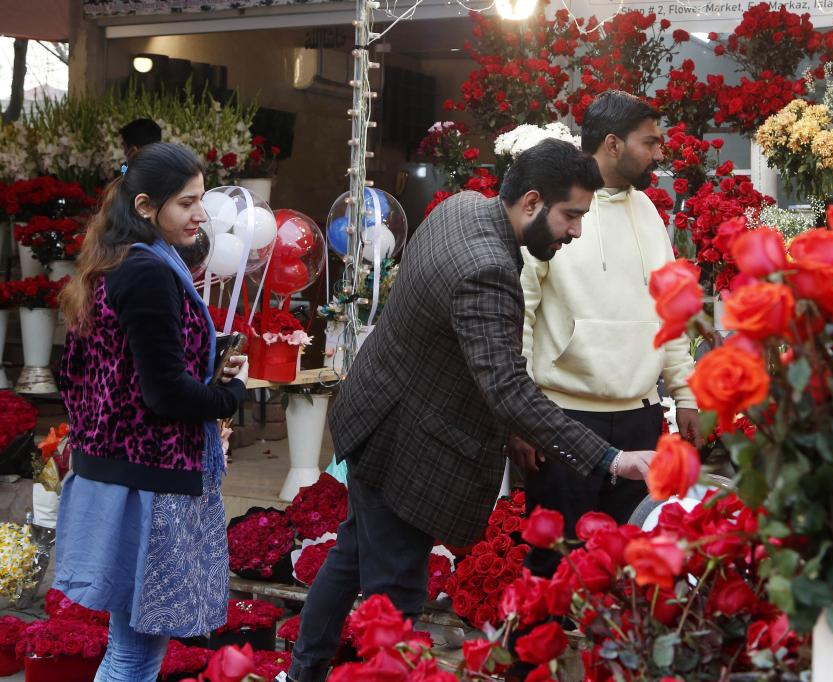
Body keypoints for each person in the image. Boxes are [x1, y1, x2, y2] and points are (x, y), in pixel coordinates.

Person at [288, 139, 655, 682]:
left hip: (375, 411)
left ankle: (303, 672)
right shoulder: (486, 268)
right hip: (404, 447)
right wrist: (611, 459)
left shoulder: (463, 205)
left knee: (348, 560)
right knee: (397, 612)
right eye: (571, 216)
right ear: (531, 202)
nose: (576, 231)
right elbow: (506, 388)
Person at [54, 142, 248, 682]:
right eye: (187, 203)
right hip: (150, 487)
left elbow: (104, 378)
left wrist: (205, 378)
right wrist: (230, 397)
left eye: (201, 200)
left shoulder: (118, 264)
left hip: (123, 477)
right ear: (145, 206)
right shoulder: (148, 273)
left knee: (128, 649)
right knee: (136, 655)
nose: (202, 214)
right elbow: (165, 395)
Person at [513, 90, 699, 578]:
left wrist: (687, 395)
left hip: (640, 419)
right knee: (553, 572)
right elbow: (521, 313)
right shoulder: (559, 204)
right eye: (650, 142)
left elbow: (670, 309)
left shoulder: (650, 214)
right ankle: (537, 657)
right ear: (613, 144)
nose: (660, 153)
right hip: (563, 421)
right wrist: (522, 415)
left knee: (625, 574)